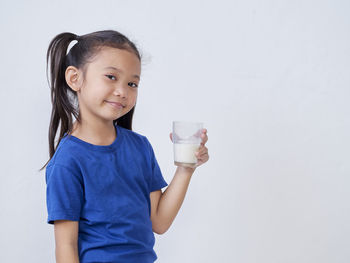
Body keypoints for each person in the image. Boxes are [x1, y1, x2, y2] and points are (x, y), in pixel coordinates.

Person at [40, 29, 209, 263]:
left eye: (132, 83)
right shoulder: (68, 161)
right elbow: (66, 246)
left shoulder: (139, 147)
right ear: (75, 78)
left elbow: (158, 222)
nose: (122, 91)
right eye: (111, 77)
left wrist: (186, 168)